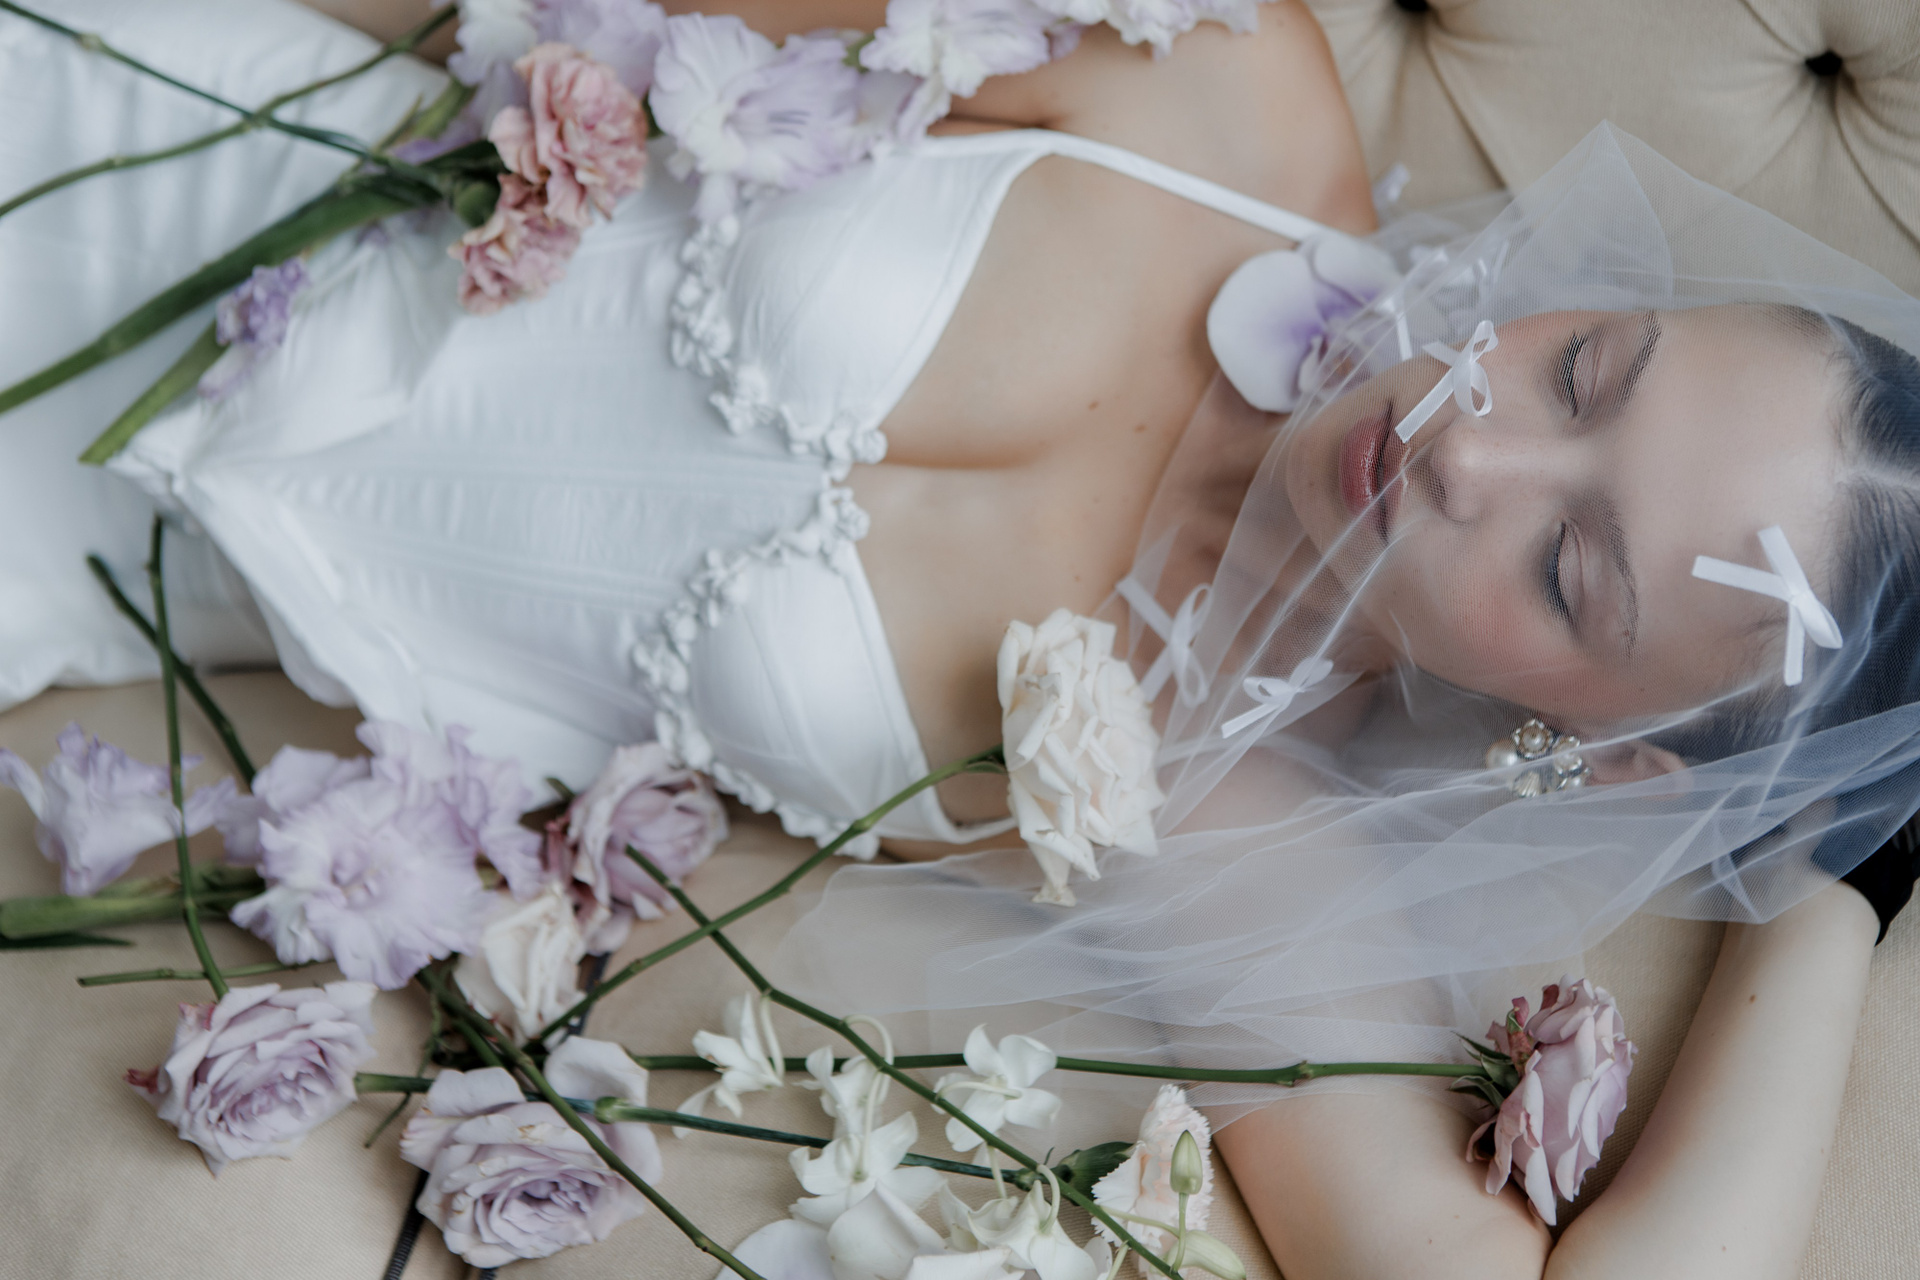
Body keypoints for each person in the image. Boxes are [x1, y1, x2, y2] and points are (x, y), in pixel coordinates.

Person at [2, 2, 1917, 1277]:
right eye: (1588, 367)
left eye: (1571, 571)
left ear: (1608, 748)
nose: (1468, 448)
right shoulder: (1216, 77)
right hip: (135, 137)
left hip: (69, 573)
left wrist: (1830, 883)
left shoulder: (1209, 811)